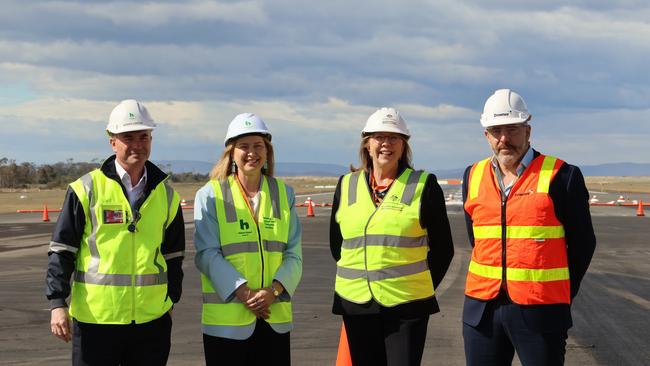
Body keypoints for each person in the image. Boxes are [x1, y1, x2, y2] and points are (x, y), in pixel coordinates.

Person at [462, 89, 597, 365]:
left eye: (512, 129)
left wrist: (559, 294)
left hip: (541, 311)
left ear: (528, 130)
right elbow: (476, 238)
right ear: (486, 135)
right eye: (496, 130)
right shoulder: (472, 176)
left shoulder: (562, 176)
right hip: (482, 311)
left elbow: (583, 244)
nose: (504, 139)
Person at [46, 99, 186, 365]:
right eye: (128, 137)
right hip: (96, 320)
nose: (137, 144)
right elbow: (62, 250)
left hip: (151, 322)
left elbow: (174, 254)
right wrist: (57, 304)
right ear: (112, 141)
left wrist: (170, 301)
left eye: (144, 136)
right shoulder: (85, 190)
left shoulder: (166, 194)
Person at [330, 107, 455, 366]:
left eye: (394, 138)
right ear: (367, 144)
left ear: (404, 145)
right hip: (357, 304)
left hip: (407, 307)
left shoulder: (423, 185)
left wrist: (416, 284)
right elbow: (337, 245)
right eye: (379, 137)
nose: (386, 144)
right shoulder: (346, 185)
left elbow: (444, 249)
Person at [194, 113, 302, 365]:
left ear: (267, 151)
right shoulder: (211, 194)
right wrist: (244, 293)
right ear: (231, 152)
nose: (251, 153)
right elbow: (207, 254)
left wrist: (274, 291)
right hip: (227, 323)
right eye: (244, 146)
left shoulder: (283, 194)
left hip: (273, 317)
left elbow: (294, 253)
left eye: (258, 146)